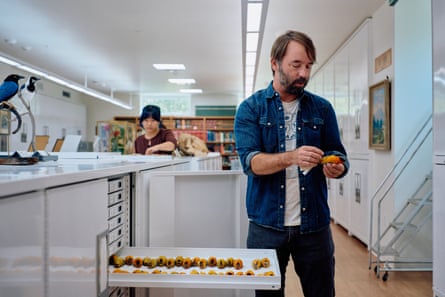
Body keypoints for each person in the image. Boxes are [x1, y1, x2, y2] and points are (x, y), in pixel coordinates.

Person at [234, 30, 349, 297]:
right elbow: (251, 163)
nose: (304, 74)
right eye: (296, 65)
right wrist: (291, 157)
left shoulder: (322, 109)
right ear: (275, 63)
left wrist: (338, 167)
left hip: (314, 227)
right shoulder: (250, 109)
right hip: (265, 227)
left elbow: (339, 155)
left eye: (308, 66)